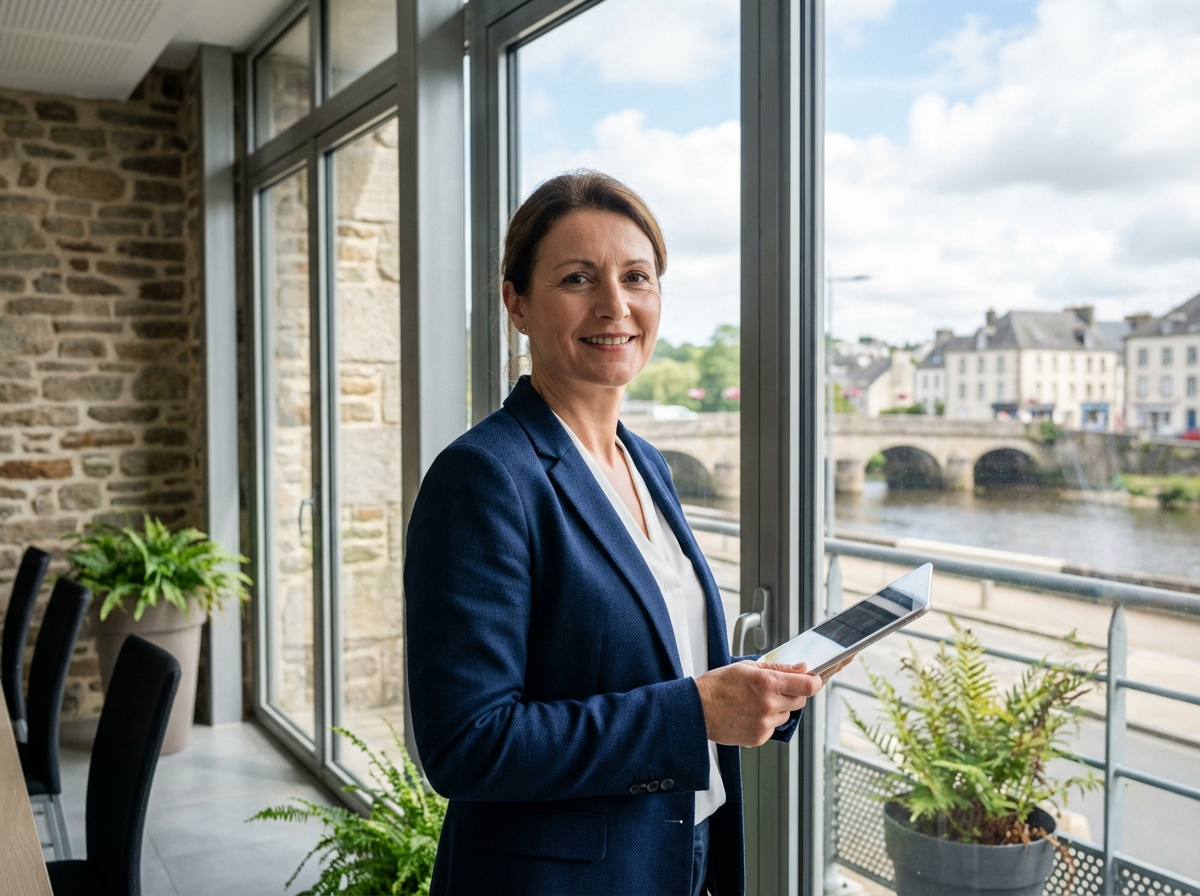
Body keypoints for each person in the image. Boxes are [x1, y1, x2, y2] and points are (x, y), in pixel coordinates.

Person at [405, 170, 846, 895]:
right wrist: (696, 709)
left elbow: (652, 659)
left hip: (678, 857)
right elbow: (467, 744)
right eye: (578, 279)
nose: (615, 306)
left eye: (636, 276)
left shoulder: (644, 462)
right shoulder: (484, 478)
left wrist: (761, 688)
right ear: (516, 303)